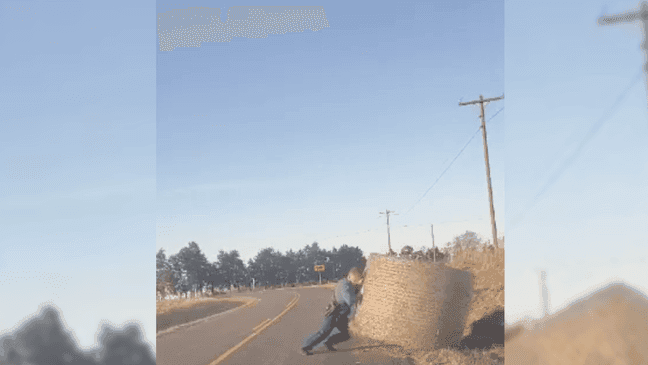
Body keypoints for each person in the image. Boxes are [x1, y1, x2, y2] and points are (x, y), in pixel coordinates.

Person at [300, 267, 364, 356]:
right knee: (323, 332)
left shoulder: (347, 283)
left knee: (346, 334)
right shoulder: (345, 285)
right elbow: (350, 300)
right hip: (334, 313)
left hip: (341, 314)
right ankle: (306, 347)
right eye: (357, 279)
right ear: (352, 277)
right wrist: (360, 295)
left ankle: (329, 343)